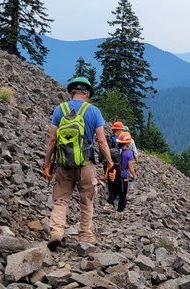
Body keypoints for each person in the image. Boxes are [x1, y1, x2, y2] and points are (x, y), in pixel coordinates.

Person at [43, 77, 113, 250]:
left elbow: (52, 140)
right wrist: (110, 163)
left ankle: (56, 233)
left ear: (71, 92)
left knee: (60, 200)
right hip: (86, 164)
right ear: (87, 93)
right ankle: (86, 237)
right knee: (87, 201)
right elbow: (102, 141)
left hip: (63, 164)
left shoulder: (60, 110)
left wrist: (47, 165)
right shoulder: (93, 111)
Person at [108, 131, 137, 213]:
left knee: (113, 192)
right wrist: (134, 175)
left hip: (114, 176)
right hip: (123, 177)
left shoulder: (114, 151)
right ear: (127, 143)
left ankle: (109, 205)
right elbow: (130, 166)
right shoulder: (128, 153)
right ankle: (120, 211)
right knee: (123, 195)